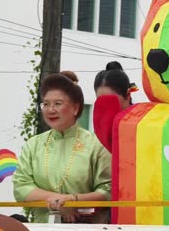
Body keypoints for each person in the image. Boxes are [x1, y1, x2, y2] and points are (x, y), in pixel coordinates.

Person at [13, 71, 111, 223]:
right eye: (46, 104)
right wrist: (58, 201)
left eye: (58, 104)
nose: (51, 109)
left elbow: (107, 191)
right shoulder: (33, 145)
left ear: (75, 108)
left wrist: (74, 200)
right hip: (43, 226)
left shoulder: (96, 145)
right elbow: (21, 188)